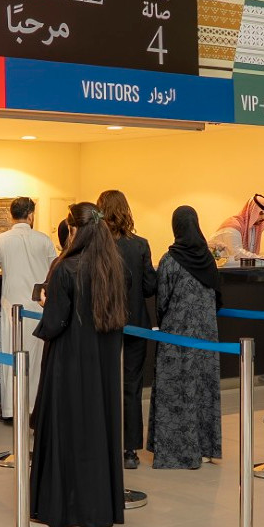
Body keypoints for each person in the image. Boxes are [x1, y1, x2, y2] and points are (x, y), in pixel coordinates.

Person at [30, 202, 127, 527]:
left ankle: (57, 515)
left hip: (69, 360)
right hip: (103, 363)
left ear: (73, 230)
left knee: (63, 430)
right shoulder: (113, 266)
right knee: (96, 430)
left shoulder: (66, 268)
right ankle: (93, 511)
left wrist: (46, 303)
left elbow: (55, 322)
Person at [148, 206, 222, 469]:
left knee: (176, 389)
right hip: (206, 336)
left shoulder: (170, 259)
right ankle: (205, 448)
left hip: (177, 335)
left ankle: (178, 452)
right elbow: (218, 297)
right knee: (203, 388)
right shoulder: (208, 259)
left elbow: (162, 300)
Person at [0, 197, 57, 423]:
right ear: (31, 215)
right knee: (37, 360)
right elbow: (55, 270)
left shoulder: (2, 239)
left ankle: (11, 409)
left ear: (10, 215)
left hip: (12, 309)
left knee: (12, 357)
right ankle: (36, 408)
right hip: (39, 308)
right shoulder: (44, 240)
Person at [97, 189, 156, 470]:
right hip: (136, 325)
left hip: (103, 324)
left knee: (102, 385)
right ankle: (130, 450)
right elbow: (149, 287)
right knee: (131, 387)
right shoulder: (140, 245)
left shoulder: (97, 245)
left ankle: (103, 442)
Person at [209, 194, 264, 265]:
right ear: (252, 211)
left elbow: (249, 254)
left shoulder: (253, 228)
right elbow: (237, 253)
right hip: (217, 268)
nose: (263, 217)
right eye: (261, 213)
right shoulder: (233, 226)